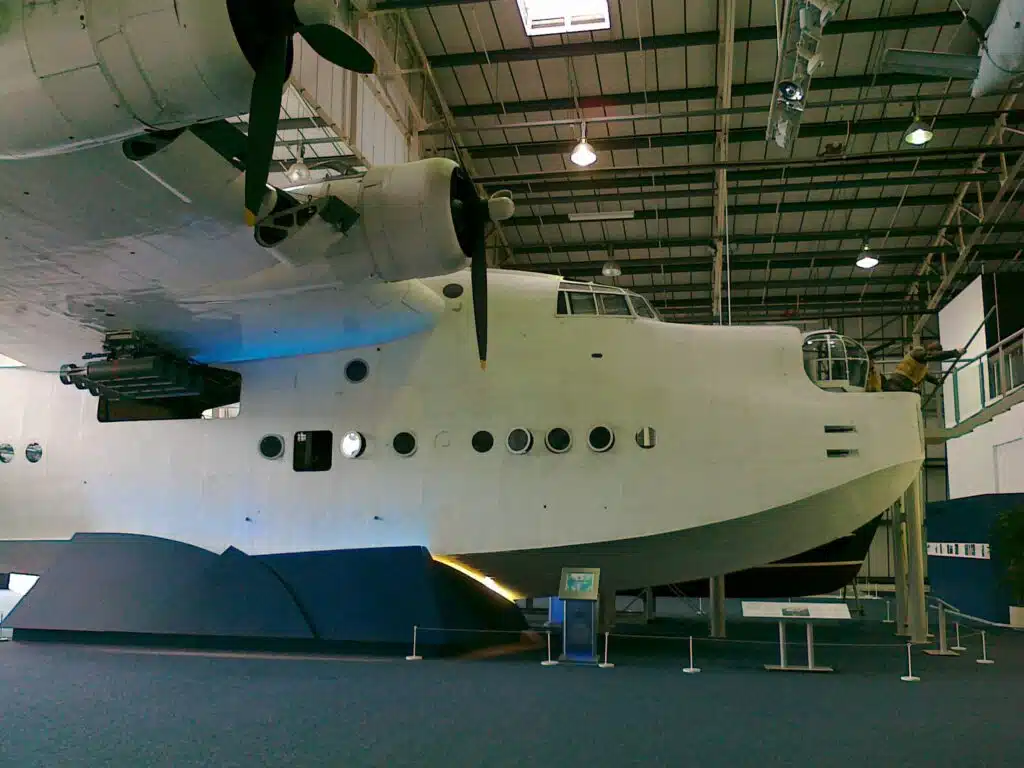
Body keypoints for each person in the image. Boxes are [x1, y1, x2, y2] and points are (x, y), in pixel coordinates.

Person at [883, 342, 965, 393]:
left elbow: (925, 376)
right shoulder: (918, 352)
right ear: (932, 350)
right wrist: (954, 353)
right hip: (896, 384)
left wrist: (937, 381)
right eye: (936, 352)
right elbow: (933, 356)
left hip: (903, 386)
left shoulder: (921, 366)